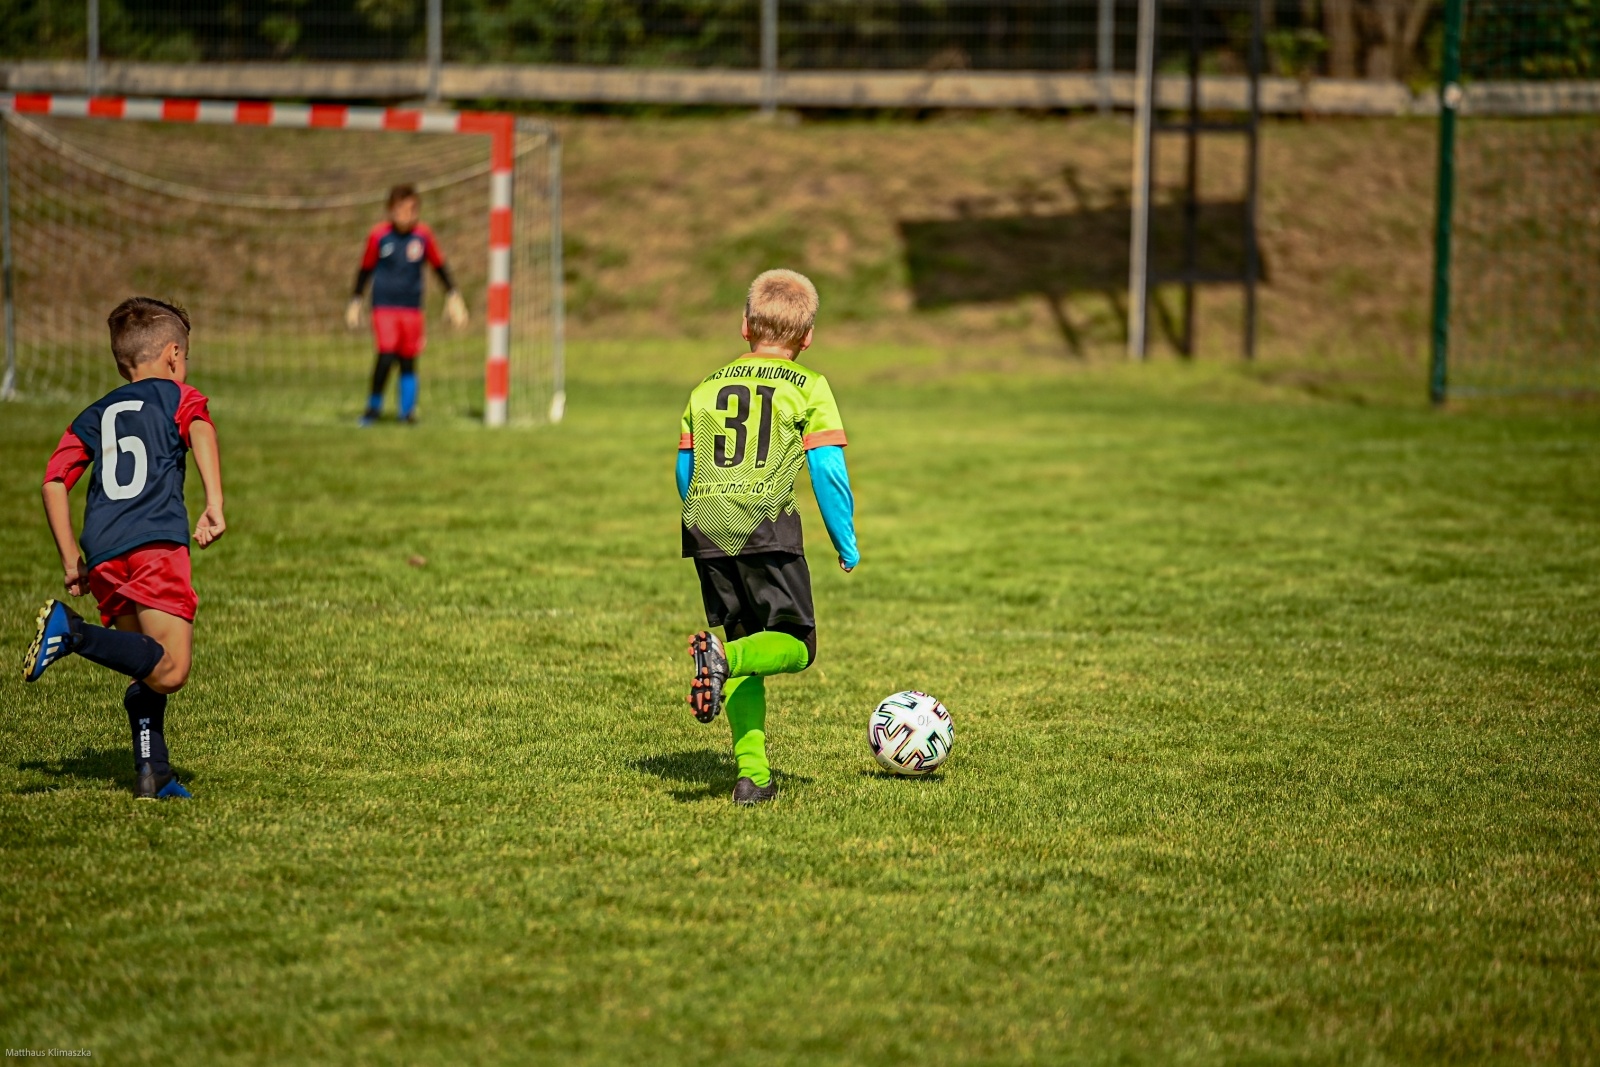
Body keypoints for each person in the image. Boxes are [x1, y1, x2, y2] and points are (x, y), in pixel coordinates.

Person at [22, 298, 227, 800]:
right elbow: (200, 427)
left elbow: (53, 482)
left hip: (104, 548)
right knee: (172, 669)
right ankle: (73, 632)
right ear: (174, 356)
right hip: (154, 541)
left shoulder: (96, 412)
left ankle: (152, 774)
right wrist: (214, 502)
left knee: (147, 665)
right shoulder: (177, 397)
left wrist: (72, 557)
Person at [677, 269, 860, 806]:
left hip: (707, 525)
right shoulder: (812, 386)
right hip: (766, 526)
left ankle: (752, 778)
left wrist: (698, 518)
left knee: (744, 640)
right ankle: (721, 659)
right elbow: (828, 471)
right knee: (796, 646)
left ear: (744, 326)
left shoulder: (705, 387)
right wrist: (845, 541)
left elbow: (685, 469)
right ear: (807, 338)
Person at [346, 184, 468, 425]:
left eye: (412, 209)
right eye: (402, 209)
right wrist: (356, 300)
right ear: (391, 210)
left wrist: (453, 295)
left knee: (408, 359)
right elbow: (365, 268)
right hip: (384, 307)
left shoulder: (423, 236)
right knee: (387, 354)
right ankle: (373, 408)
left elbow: (438, 266)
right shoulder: (378, 236)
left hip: (412, 308)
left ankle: (407, 413)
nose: (407, 214)